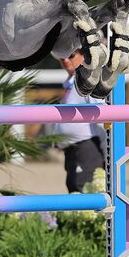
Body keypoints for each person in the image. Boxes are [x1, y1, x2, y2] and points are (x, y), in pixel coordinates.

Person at [55, 49, 106, 192]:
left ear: (83, 55)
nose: (65, 60)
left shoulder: (88, 81)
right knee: (75, 188)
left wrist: (106, 149)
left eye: (71, 55)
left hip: (87, 147)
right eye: (62, 56)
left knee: (82, 189)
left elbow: (100, 114)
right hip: (76, 147)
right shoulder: (73, 83)